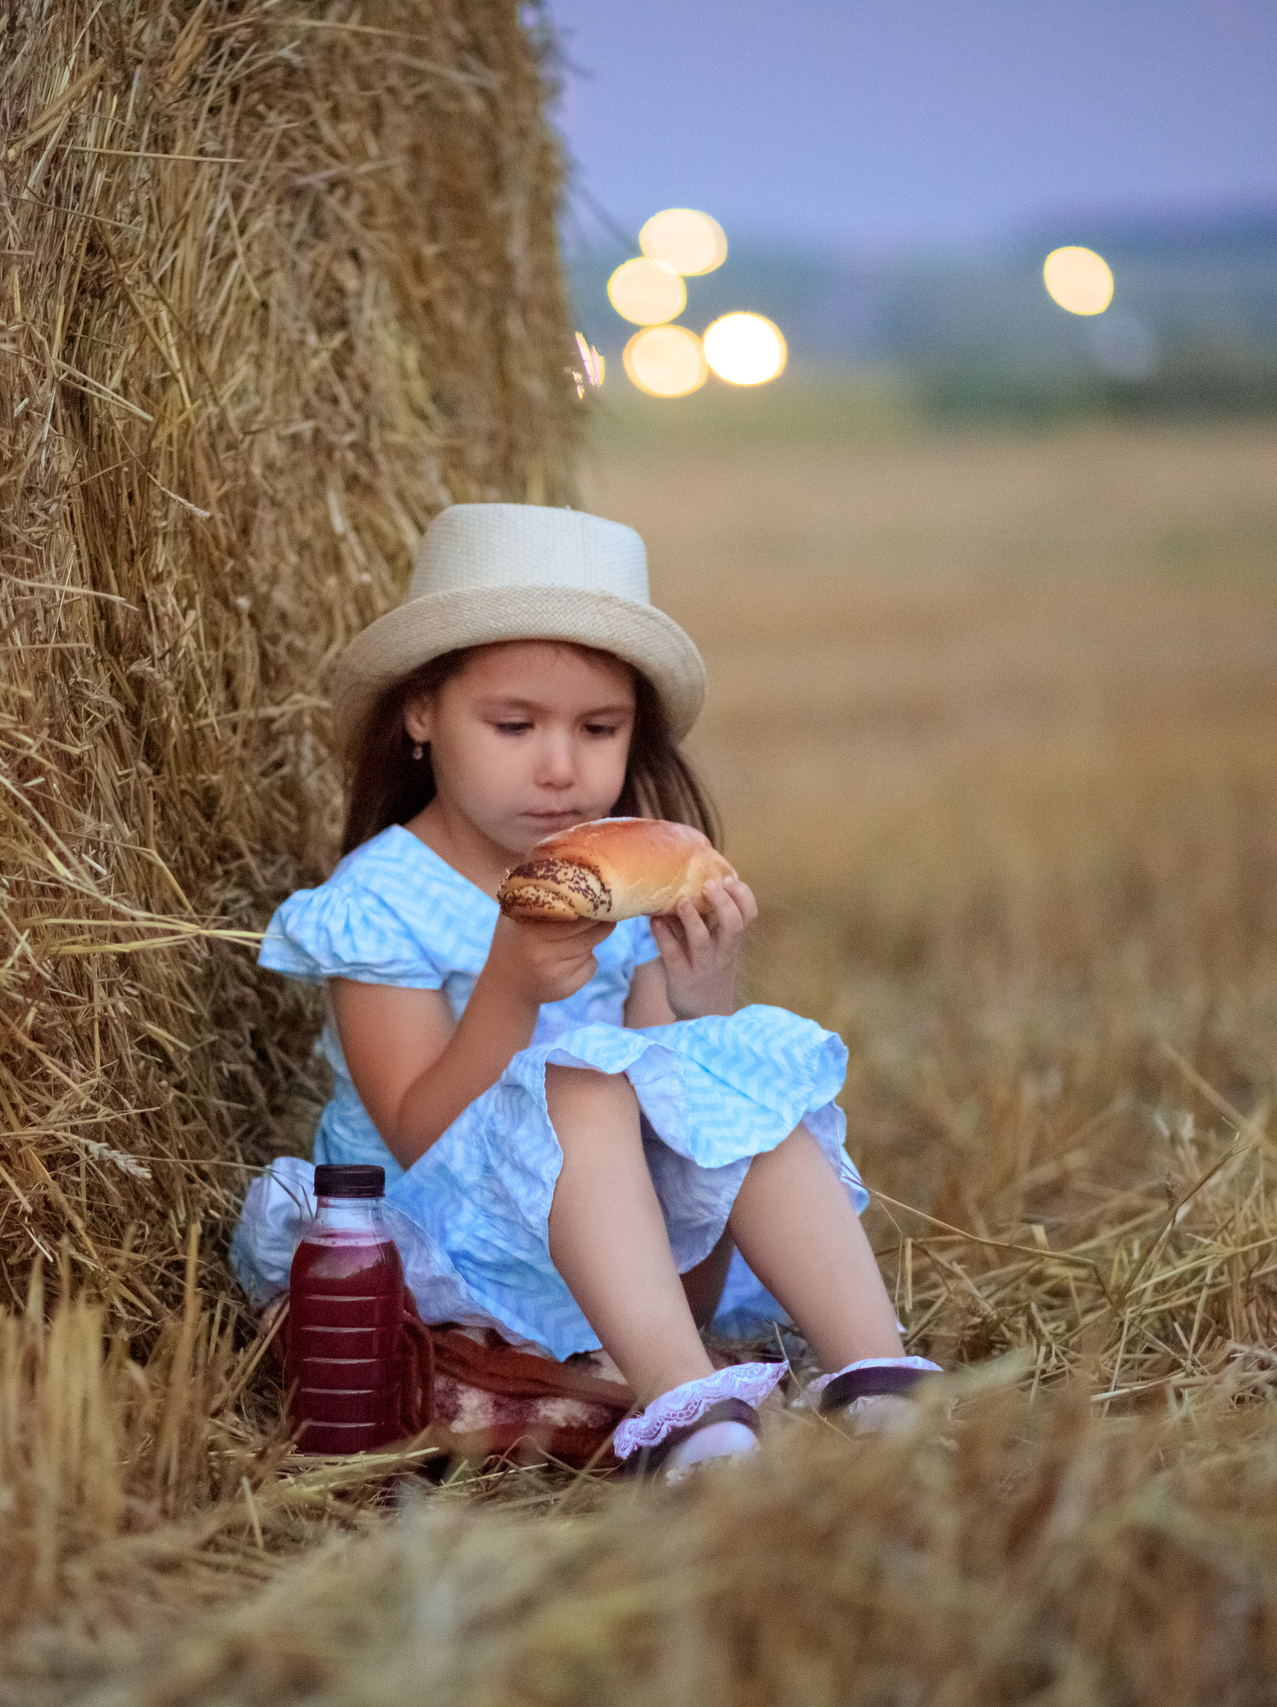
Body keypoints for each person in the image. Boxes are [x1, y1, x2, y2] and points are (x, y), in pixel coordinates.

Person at [232, 504, 936, 1479]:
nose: (561, 768)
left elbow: (682, 1108)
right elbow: (414, 1134)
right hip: (461, 1251)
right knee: (584, 1082)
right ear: (422, 713)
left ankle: (879, 1380)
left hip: (629, 1263)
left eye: (599, 729)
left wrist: (700, 1001)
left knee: (738, 1078)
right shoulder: (381, 900)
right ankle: (687, 1410)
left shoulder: (614, 879)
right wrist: (507, 990)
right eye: (514, 725)